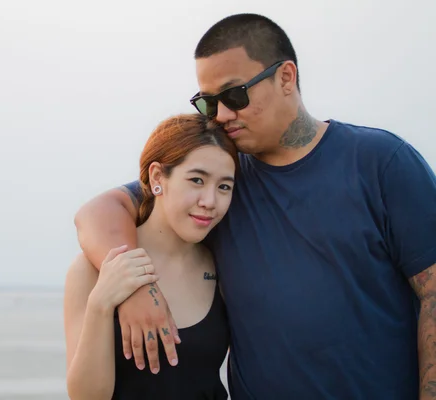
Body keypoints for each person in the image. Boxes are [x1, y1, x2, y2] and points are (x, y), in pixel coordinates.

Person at [73, 12, 436, 400]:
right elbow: (99, 210)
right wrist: (135, 287)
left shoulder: (381, 162)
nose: (223, 116)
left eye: (234, 95)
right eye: (209, 103)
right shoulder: (222, 180)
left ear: (286, 78)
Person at [64, 114, 239, 399]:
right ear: (158, 177)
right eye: (197, 180)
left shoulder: (223, 266)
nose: (210, 201)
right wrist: (101, 304)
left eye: (224, 187)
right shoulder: (91, 270)